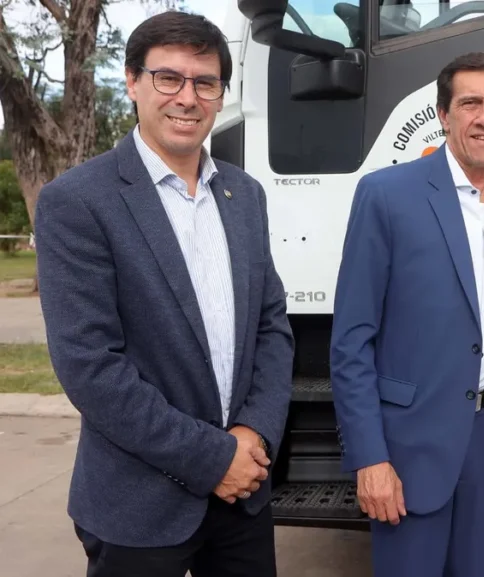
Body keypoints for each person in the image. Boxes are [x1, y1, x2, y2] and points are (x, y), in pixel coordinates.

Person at [34, 11, 294, 577]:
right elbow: (90, 366)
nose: (188, 98)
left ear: (221, 93)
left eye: (205, 82)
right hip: (139, 506)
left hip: (243, 495)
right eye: (168, 78)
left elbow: (271, 325)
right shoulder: (78, 201)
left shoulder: (245, 195)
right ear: (132, 82)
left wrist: (253, 434)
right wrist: (214, 458)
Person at [329, 51, 484, 577]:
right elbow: (352, 340)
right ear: (444, 114)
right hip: (408, 443)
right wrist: (370, 458)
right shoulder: (386, 195)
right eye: (470, 103)